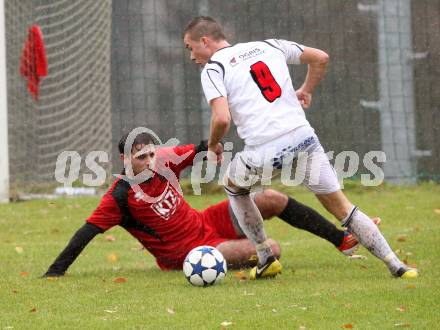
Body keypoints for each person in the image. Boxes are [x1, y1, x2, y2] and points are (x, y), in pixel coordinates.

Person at [182, 16, 417, 279]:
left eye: (190, 48)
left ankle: (265, 256)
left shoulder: (214, 69)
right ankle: (397, 265)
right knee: (342, 207)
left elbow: (221, 118)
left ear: (205, 41)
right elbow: (321, 57)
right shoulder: (270, 45)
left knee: (235, 187)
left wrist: (213, 145)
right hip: (304, 138)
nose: (192, 57)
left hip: (264, 149)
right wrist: (306, 89)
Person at [44, 131, 364, 277]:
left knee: (271, 197)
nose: (150, 161)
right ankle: (241, 251)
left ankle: (343, 240)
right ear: (125, 159)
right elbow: (86, 232)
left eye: (152, 154)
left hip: (207, 222)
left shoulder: (163, 161)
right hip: (188, 253)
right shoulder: (118, 196)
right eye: (142, 157)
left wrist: (214, 145)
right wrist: (55, 272)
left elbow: (199, 148)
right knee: (273, 249)